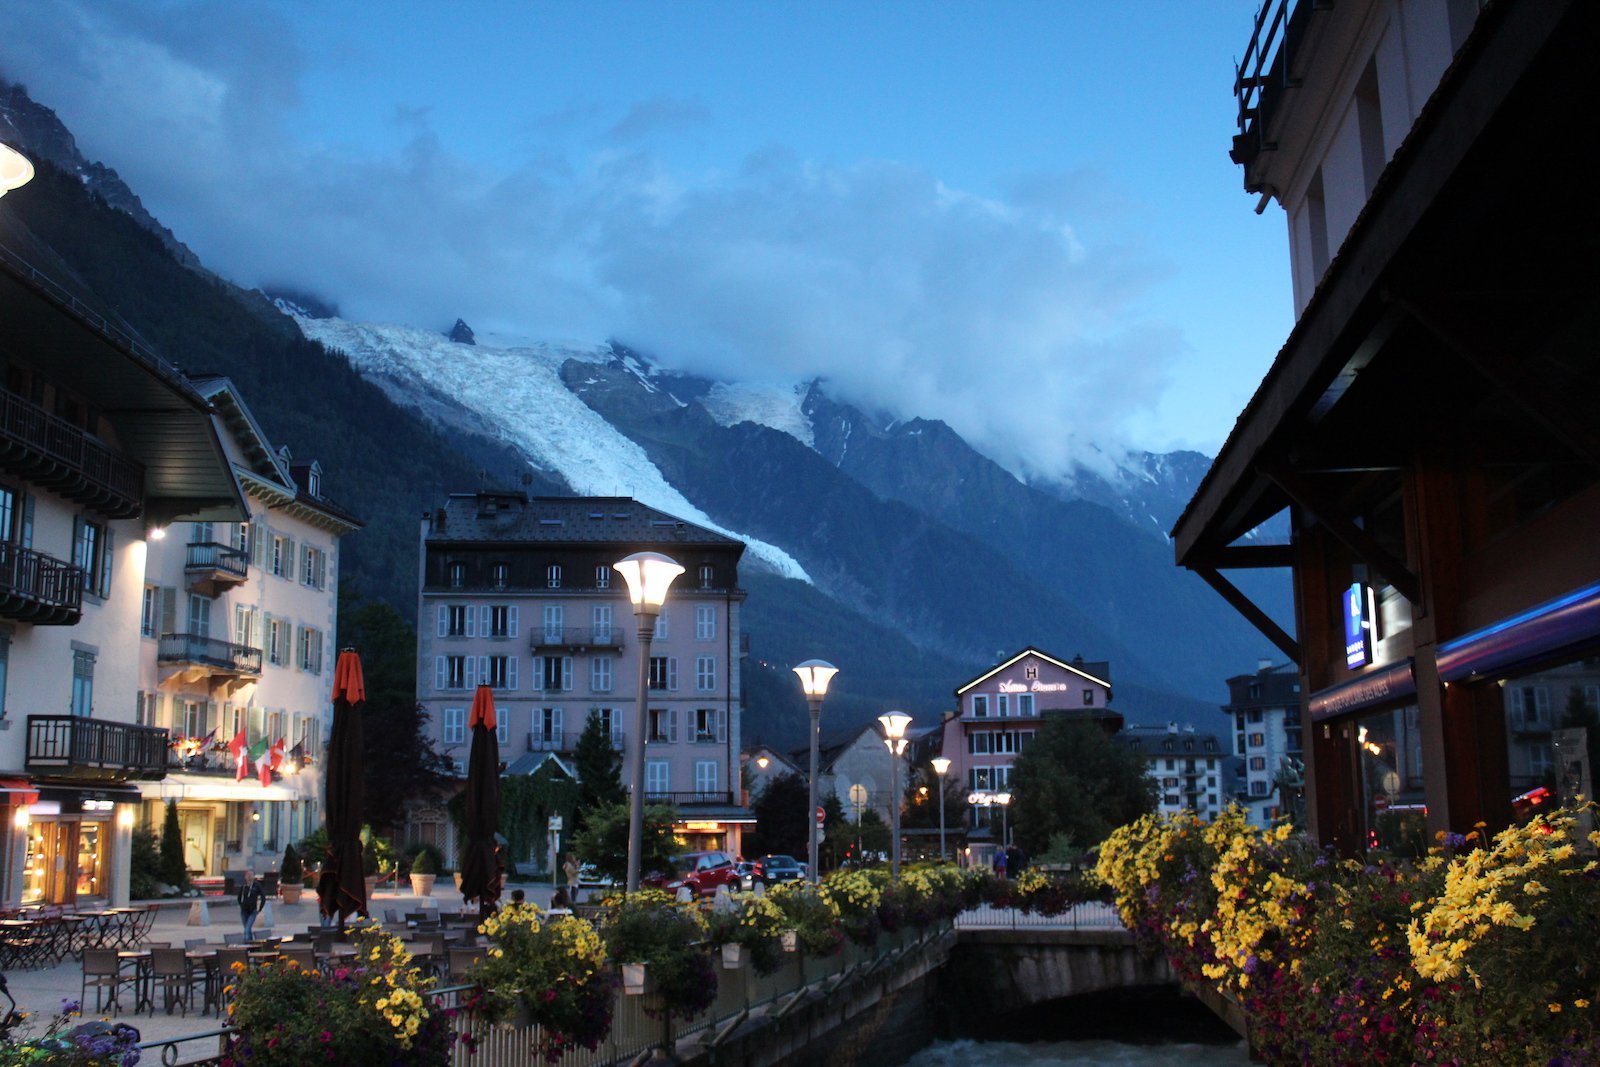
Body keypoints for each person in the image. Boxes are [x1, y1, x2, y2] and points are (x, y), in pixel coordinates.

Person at [238, 869, 266, 942]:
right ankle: (250, 942)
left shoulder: (256, 886)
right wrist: (241, 905)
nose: (249, 877)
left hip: (252, 910)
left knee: (247, 928)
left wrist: (259, 908)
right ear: (245, 877)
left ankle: (246, 942)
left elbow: (263, 897)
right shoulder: (244, 886)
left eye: (251, 875)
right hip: (244, 910)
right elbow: (239, 897)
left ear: (254, 876)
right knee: (247, 928)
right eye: (248, 875)